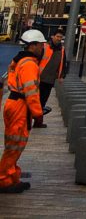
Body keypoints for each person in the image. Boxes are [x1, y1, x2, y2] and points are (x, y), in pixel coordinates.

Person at [0, 29, 47, 194]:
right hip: (20, 105)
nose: (42, 48)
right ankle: (4, 180)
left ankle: (12, 176)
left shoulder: (19, 60)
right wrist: (38, 115)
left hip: (14, 103)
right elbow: (31, 92)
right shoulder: (29, 64)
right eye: (41, 45)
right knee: (14, 146)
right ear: (32, 46)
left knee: (14, 145)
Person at [35, 32, 65, 128]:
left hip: (50, 80)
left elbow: (63, 63)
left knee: (43, 102)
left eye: (61, 37)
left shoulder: (62, 49)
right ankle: (28, 120)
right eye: (57, 36)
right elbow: (37, 59)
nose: (59, 38)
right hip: (39, 78)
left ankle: (38, 122)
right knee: (34, 101)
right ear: (52, 36)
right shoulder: (45, 46)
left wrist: (61, 76)